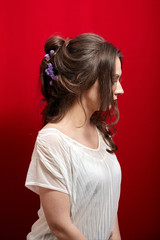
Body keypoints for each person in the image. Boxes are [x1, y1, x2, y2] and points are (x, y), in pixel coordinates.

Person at [25, 33, 124, 240]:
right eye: (113, 80)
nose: (120, 90)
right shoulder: (51, 141)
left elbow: (108, 200)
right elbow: (60, 226)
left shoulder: (101, 133)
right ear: (82, 78)